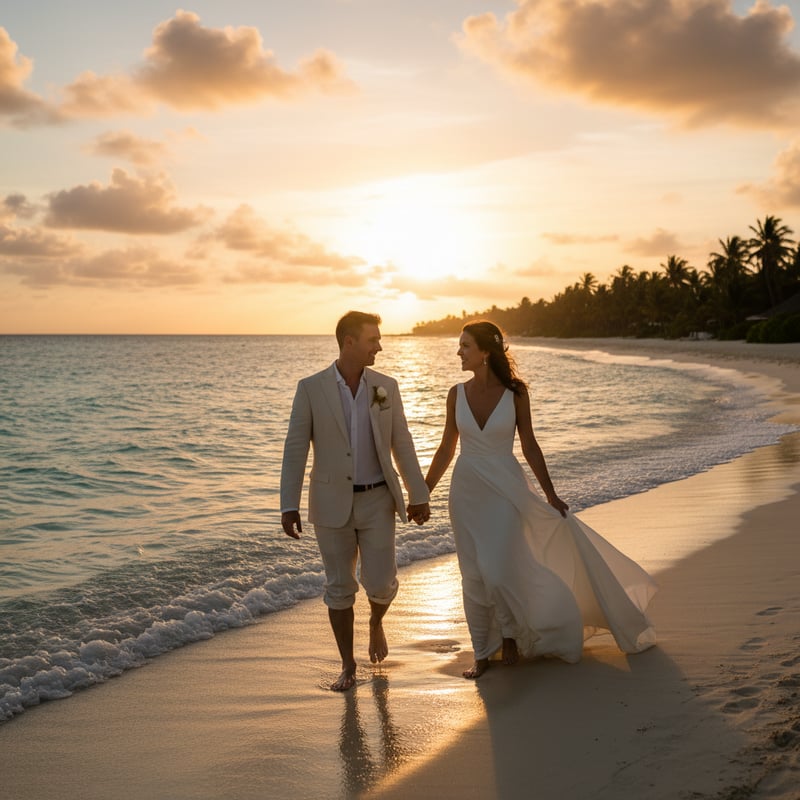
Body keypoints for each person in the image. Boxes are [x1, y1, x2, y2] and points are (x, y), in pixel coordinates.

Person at [424, 320, 657, 679]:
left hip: (505, 487)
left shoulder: (516, 393)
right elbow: (445, 448)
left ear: (486, 352)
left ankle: (510, 632)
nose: (459, 352)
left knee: (498, 570)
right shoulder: (456, 393)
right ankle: (483, 653)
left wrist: (550, 494)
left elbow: (530, 445)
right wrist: (423, 491)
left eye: (465, 345)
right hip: (466, 488)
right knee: (472, 574)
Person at [281, 311, 431, 691]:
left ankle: (376, 621)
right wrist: (288, 504)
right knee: (339, 587)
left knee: (382, 583)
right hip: (330, 503)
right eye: (372, 340)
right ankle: (348, 665)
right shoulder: (310, 388)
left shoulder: (386, 387)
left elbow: (403, 443)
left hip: (379, 500)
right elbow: (296, 448)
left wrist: (419, 493)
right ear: (349, 342)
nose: (379, 346)